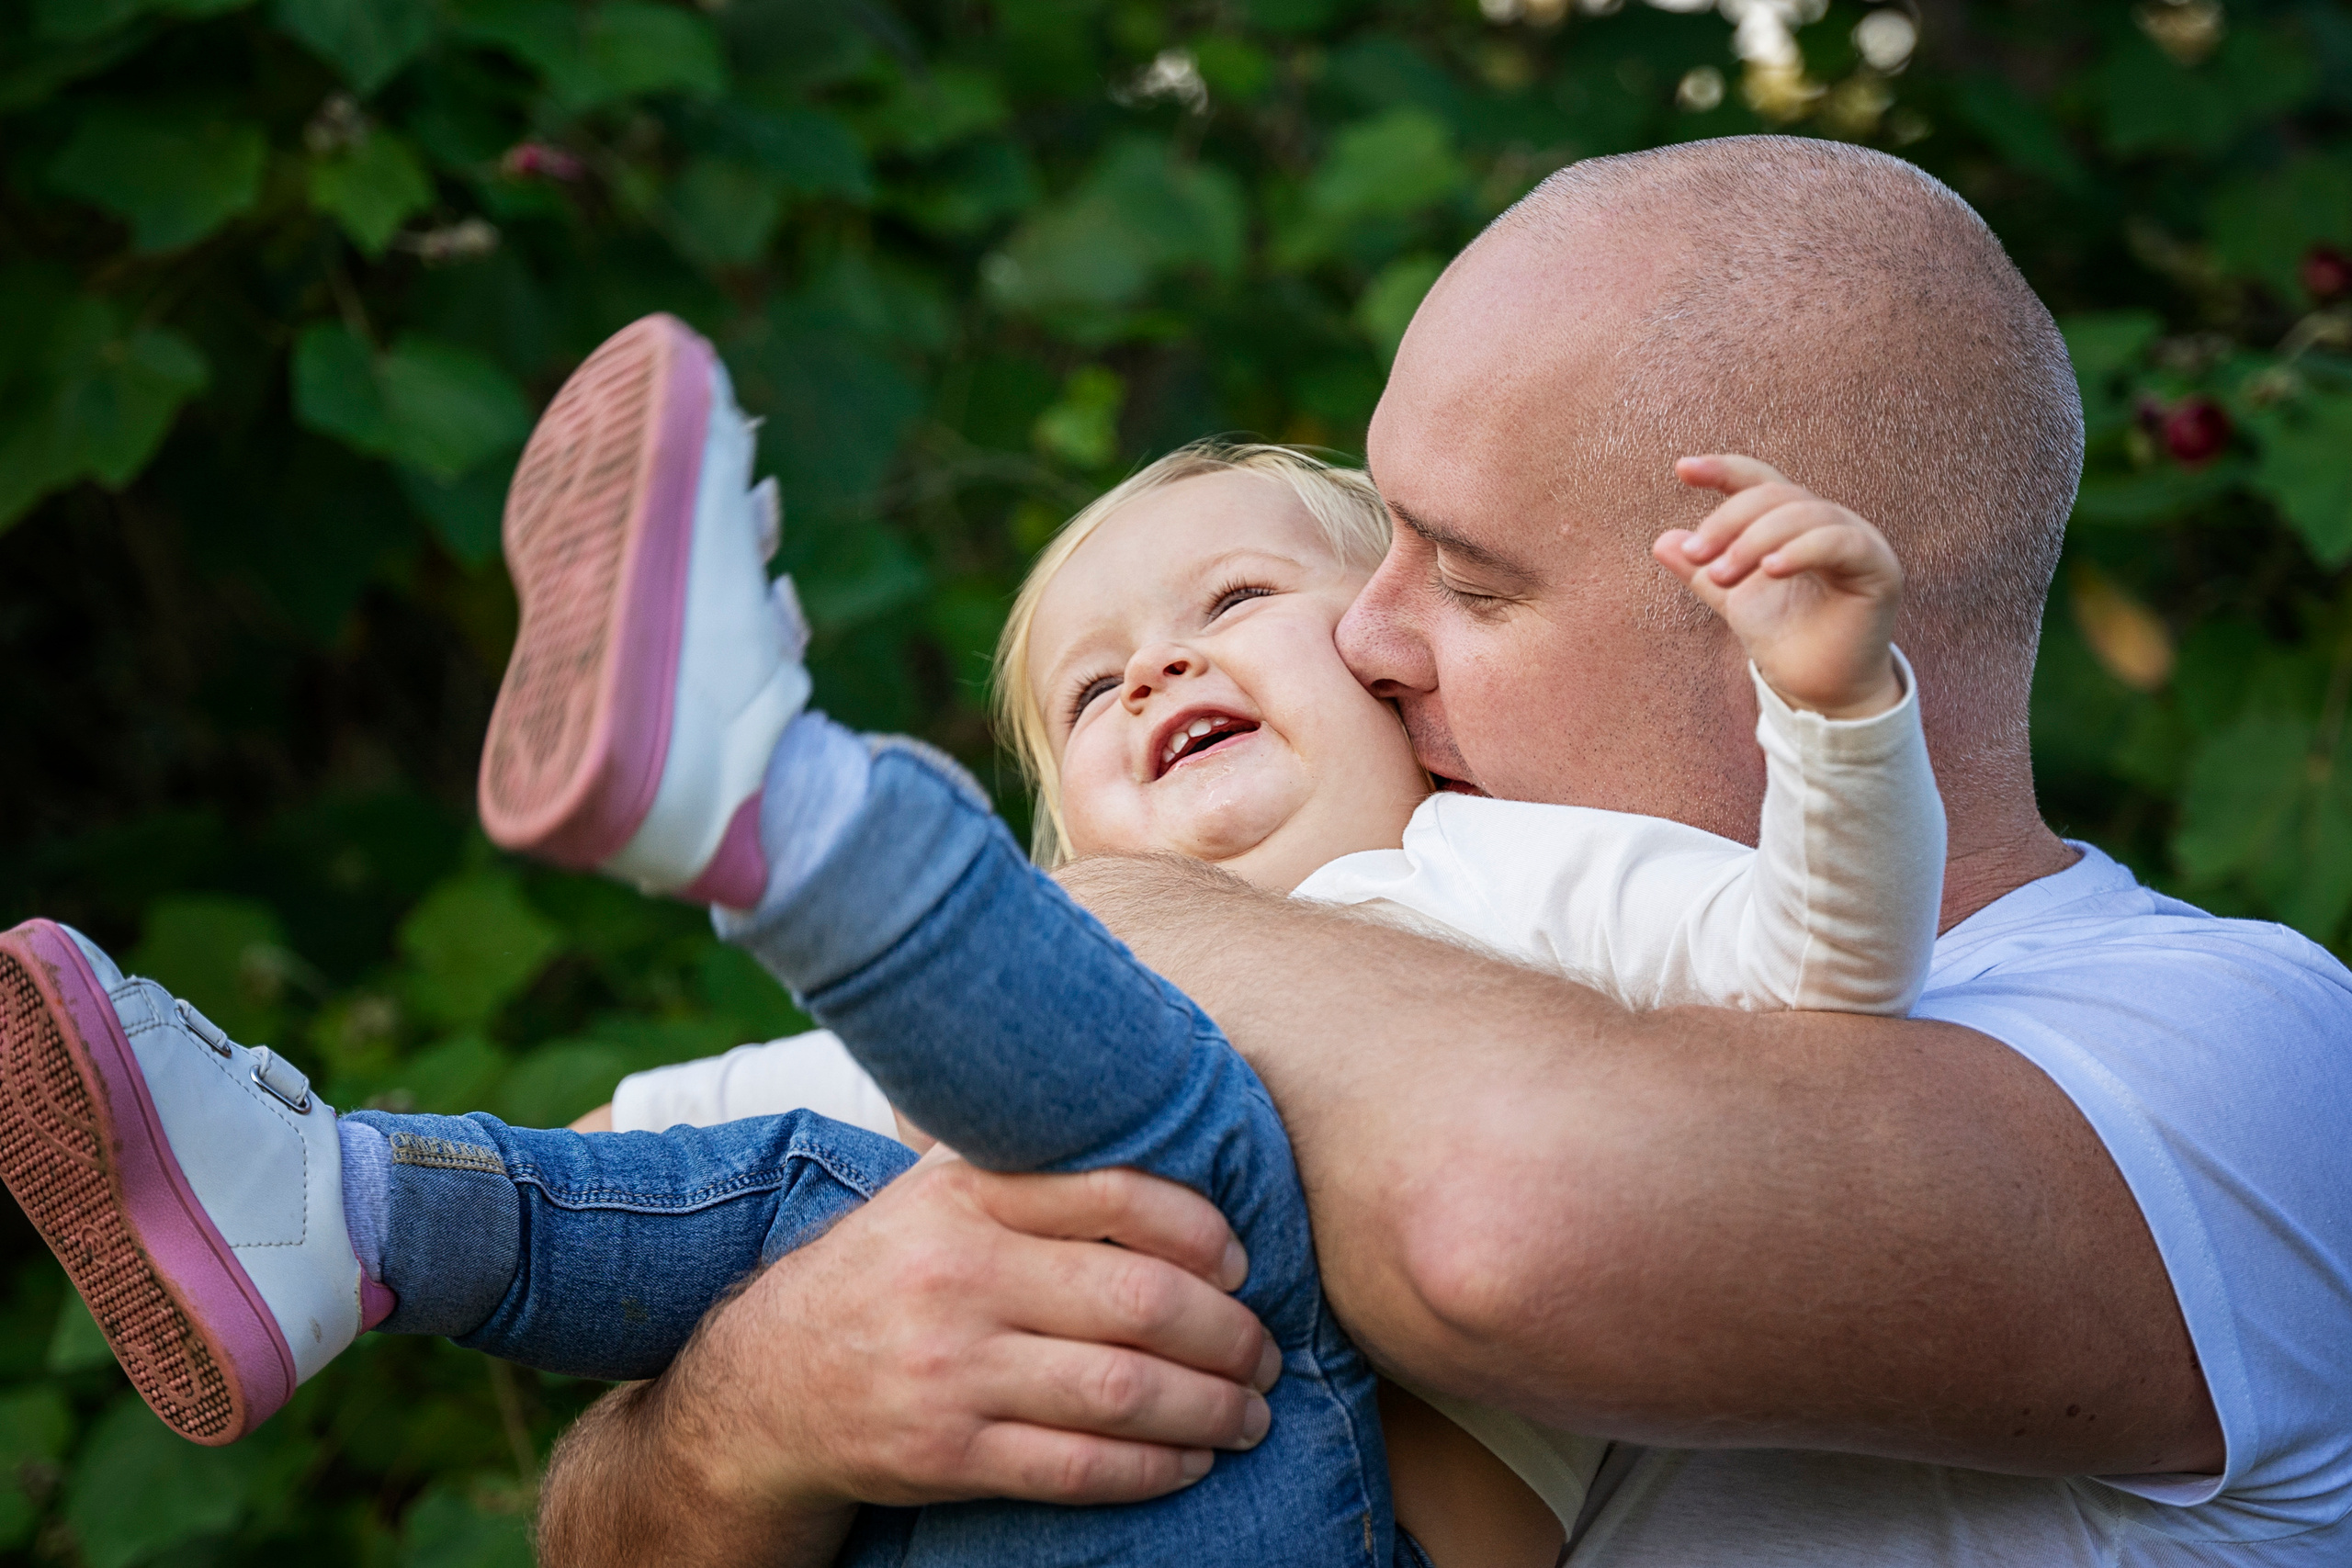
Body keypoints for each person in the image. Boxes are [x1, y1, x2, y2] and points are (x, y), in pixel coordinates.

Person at [532, 137, 2352, 1568]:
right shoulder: (1423, 961)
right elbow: (603, 1523)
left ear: (1780, 601)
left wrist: (1076, 930)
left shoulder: (2247, 1058)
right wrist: (758, 1417)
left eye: (1464, 577)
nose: (1363, 638)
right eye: (1373, 544)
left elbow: (1510, 1222)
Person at [1, 312, 1941, 1562]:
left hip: (1311, 1516)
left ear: (1398, 666)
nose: (1160, 662)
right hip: (992, 1507)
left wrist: (1833, 709)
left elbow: (1820, 977)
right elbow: (666, 1159)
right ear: (1060, 836)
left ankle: (782, 813)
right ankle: (343, 1223)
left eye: (1237, 595)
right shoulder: (1045, 1004)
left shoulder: (1496, 877)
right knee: (809, 1186)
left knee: (1168, 1133)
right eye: (1091, 686)